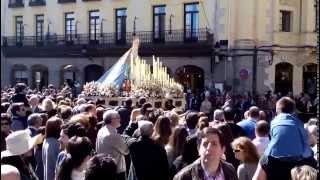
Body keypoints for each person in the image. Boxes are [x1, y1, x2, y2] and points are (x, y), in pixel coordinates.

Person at [253, 97, 317, 180]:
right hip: (302, 160)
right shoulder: (299, 123)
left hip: (273, 160)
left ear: (277, 111)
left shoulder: (267, 160)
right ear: (294, 111)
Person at [173, 127, 237, 180]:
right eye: (205, 144)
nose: (209, 148)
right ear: (198, 149)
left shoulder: (230, 170)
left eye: (214, 144)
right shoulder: (183, 177)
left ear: (223, 150)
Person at [96, 110, 129, 180]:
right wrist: (127, 141)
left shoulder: (102, 130)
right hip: (116, 169)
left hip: (104, 167)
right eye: (118, 117)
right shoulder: (112, 135)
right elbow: (126, 151)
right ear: (112, 120)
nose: (120, 119)